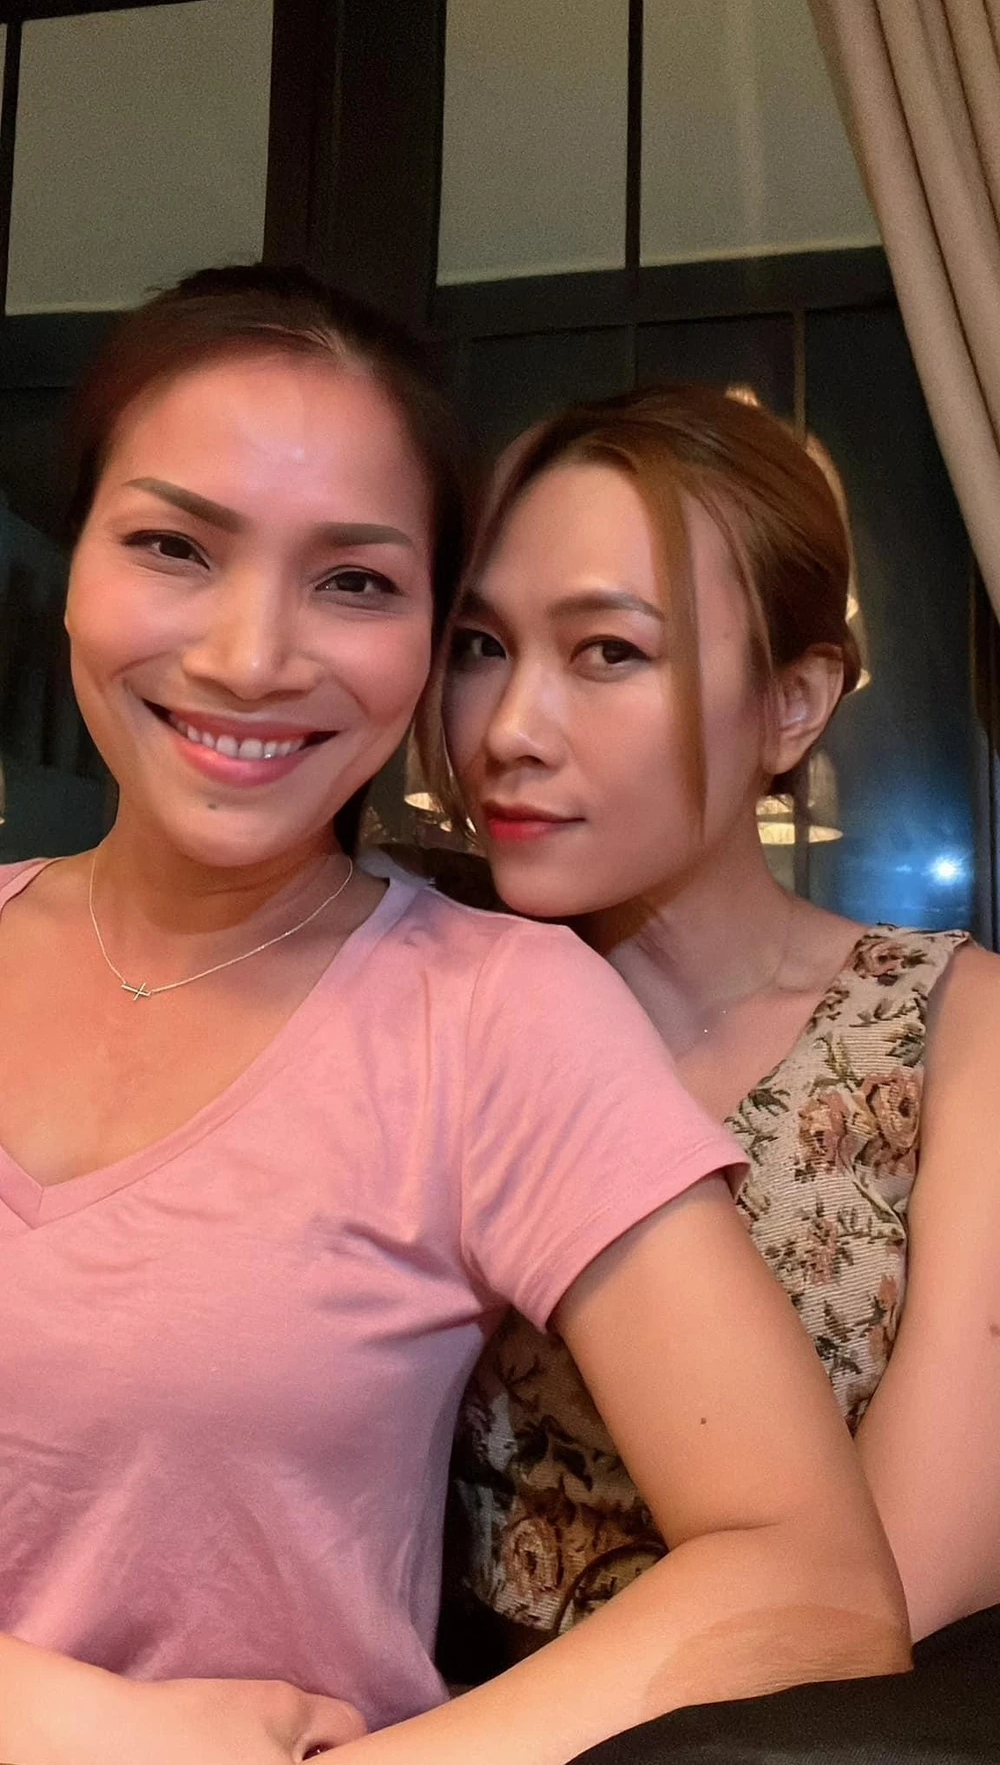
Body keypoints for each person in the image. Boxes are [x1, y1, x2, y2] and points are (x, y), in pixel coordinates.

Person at [0, 276, 908, 1765]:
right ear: (73, 564)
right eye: (173, 545)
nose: (249, 655)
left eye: (354, 581)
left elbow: (811, 1582)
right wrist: (63, 1719)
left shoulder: (488, 1010)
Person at [437, 383, 1000, 1685]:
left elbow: (890, 1598)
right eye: (479, 646)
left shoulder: (951, 1032)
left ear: (793, 703)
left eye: (607, 652)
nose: (508, 730)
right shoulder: (429, 1006)